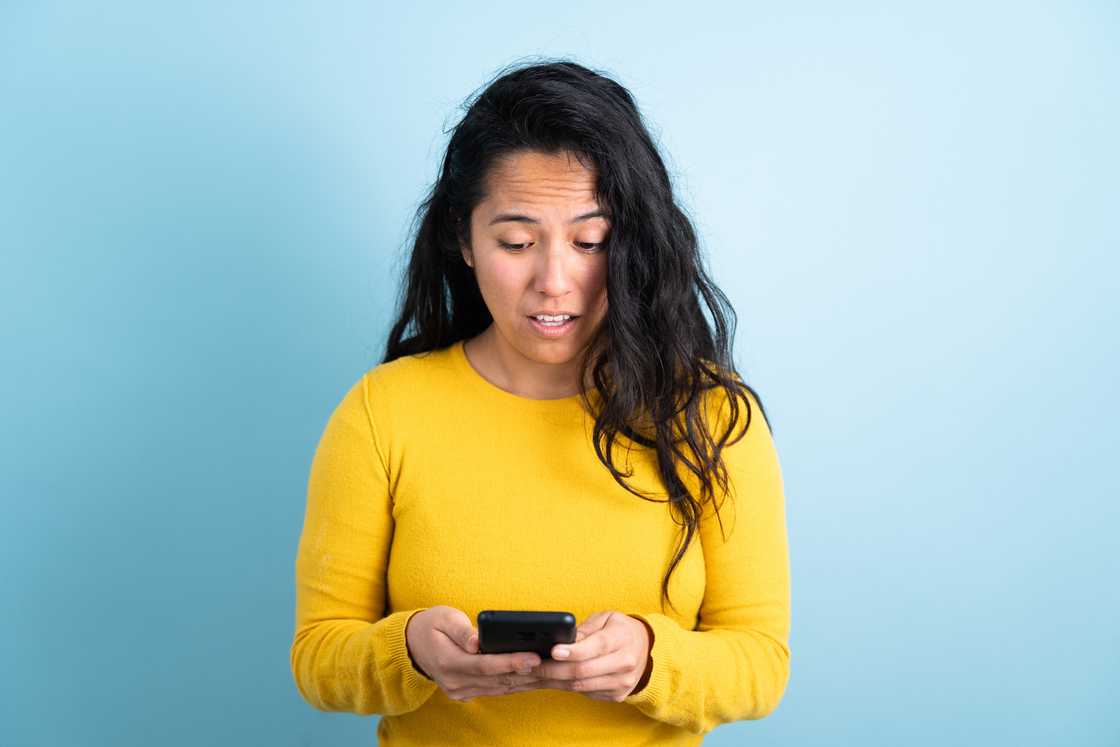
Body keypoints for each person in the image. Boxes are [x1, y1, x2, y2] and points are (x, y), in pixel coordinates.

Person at [290, 58, 791, 746]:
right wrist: (406, 647)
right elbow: (319, 657)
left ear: (633, 246)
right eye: (517, 242)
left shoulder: (709, 416)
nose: (554, 280)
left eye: (591, 241)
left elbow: (760, 664)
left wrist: (652, 659)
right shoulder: (383, 412)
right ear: (462, 241)